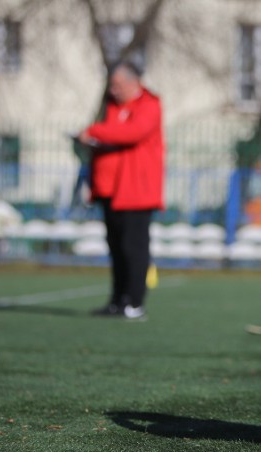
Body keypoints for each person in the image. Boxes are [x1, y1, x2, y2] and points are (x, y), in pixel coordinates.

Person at [79, 61, 164, 320]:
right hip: (111, 191)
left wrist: (94, 131)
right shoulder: (112, 107)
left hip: (136, 192)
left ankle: (135, 302)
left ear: (133, 81)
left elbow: (132, 133)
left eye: (117, 84)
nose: (113, 90)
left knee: (133, 248)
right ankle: (117, 300)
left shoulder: (149, 105)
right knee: (115, 247)